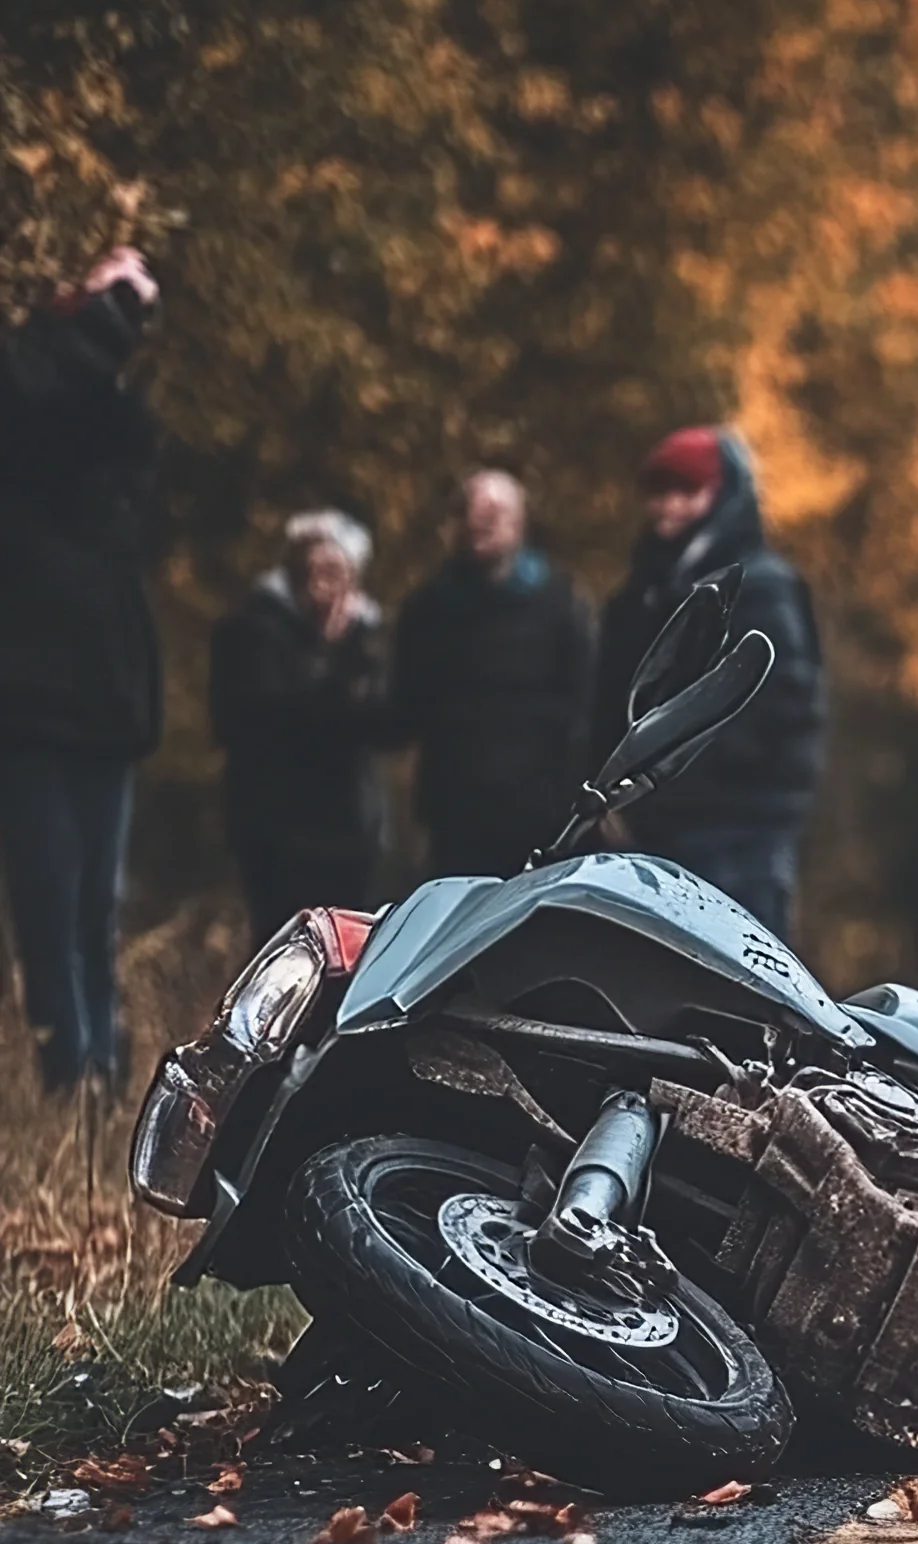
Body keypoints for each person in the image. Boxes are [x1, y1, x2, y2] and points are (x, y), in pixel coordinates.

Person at [0, 244, 163, 1092]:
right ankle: (71, 1068)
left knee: (94, 908)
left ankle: (98, 1069)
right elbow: (34, 397)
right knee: (51, 905)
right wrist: (95, 303)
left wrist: (99, 305)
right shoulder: (29, 420)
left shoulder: (117, 432)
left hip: (101, 704)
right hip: (33, 710)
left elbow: (89, 412)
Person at [589, 426, 824, 937]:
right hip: (651, 834)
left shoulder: (761, 589)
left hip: (739, 834)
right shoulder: (638, 596)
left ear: (725, 497)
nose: (669, 506)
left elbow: (782, 710)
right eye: (659, 492)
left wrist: (680, 773)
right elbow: (607, 705)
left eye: (688, 492)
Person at [392, 469, 594, 879]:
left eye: (495, 510)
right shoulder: (429, 608)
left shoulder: (561, 605)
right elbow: (404, 708)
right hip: (456, 812)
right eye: (471, 509)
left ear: (519, 523)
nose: (480, 520)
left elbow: (586, 704)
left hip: (541, 810)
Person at [209, 510, 394, 937]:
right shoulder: (252, 632)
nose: (325, 585)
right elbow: (273, 720)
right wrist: (333, 659)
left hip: (350, 829)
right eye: (316, 570)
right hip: (277, 829)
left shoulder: (368, 638)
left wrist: (349, 653)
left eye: (337, 571)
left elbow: (386, 721)